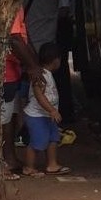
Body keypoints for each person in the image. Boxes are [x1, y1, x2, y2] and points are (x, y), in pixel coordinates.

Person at [1, 7, 42, 180]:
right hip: (4, 72)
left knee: (9, 117)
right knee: (3, 119)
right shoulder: (7, 4)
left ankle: (9, 158)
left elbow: (22, 38)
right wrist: (33, 67)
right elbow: (15, 39)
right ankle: (2, 162)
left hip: (11, 70)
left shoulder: (14, 4)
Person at [22, 42, 71, 177]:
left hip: (47, 115)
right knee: (37, 141)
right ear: (56, 60)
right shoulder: (41, 75)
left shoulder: (47, 74)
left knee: (53, 139)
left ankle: (52, 164)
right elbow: (39, 96)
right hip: (37, 115)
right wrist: (52, 110)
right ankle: (29, 167)